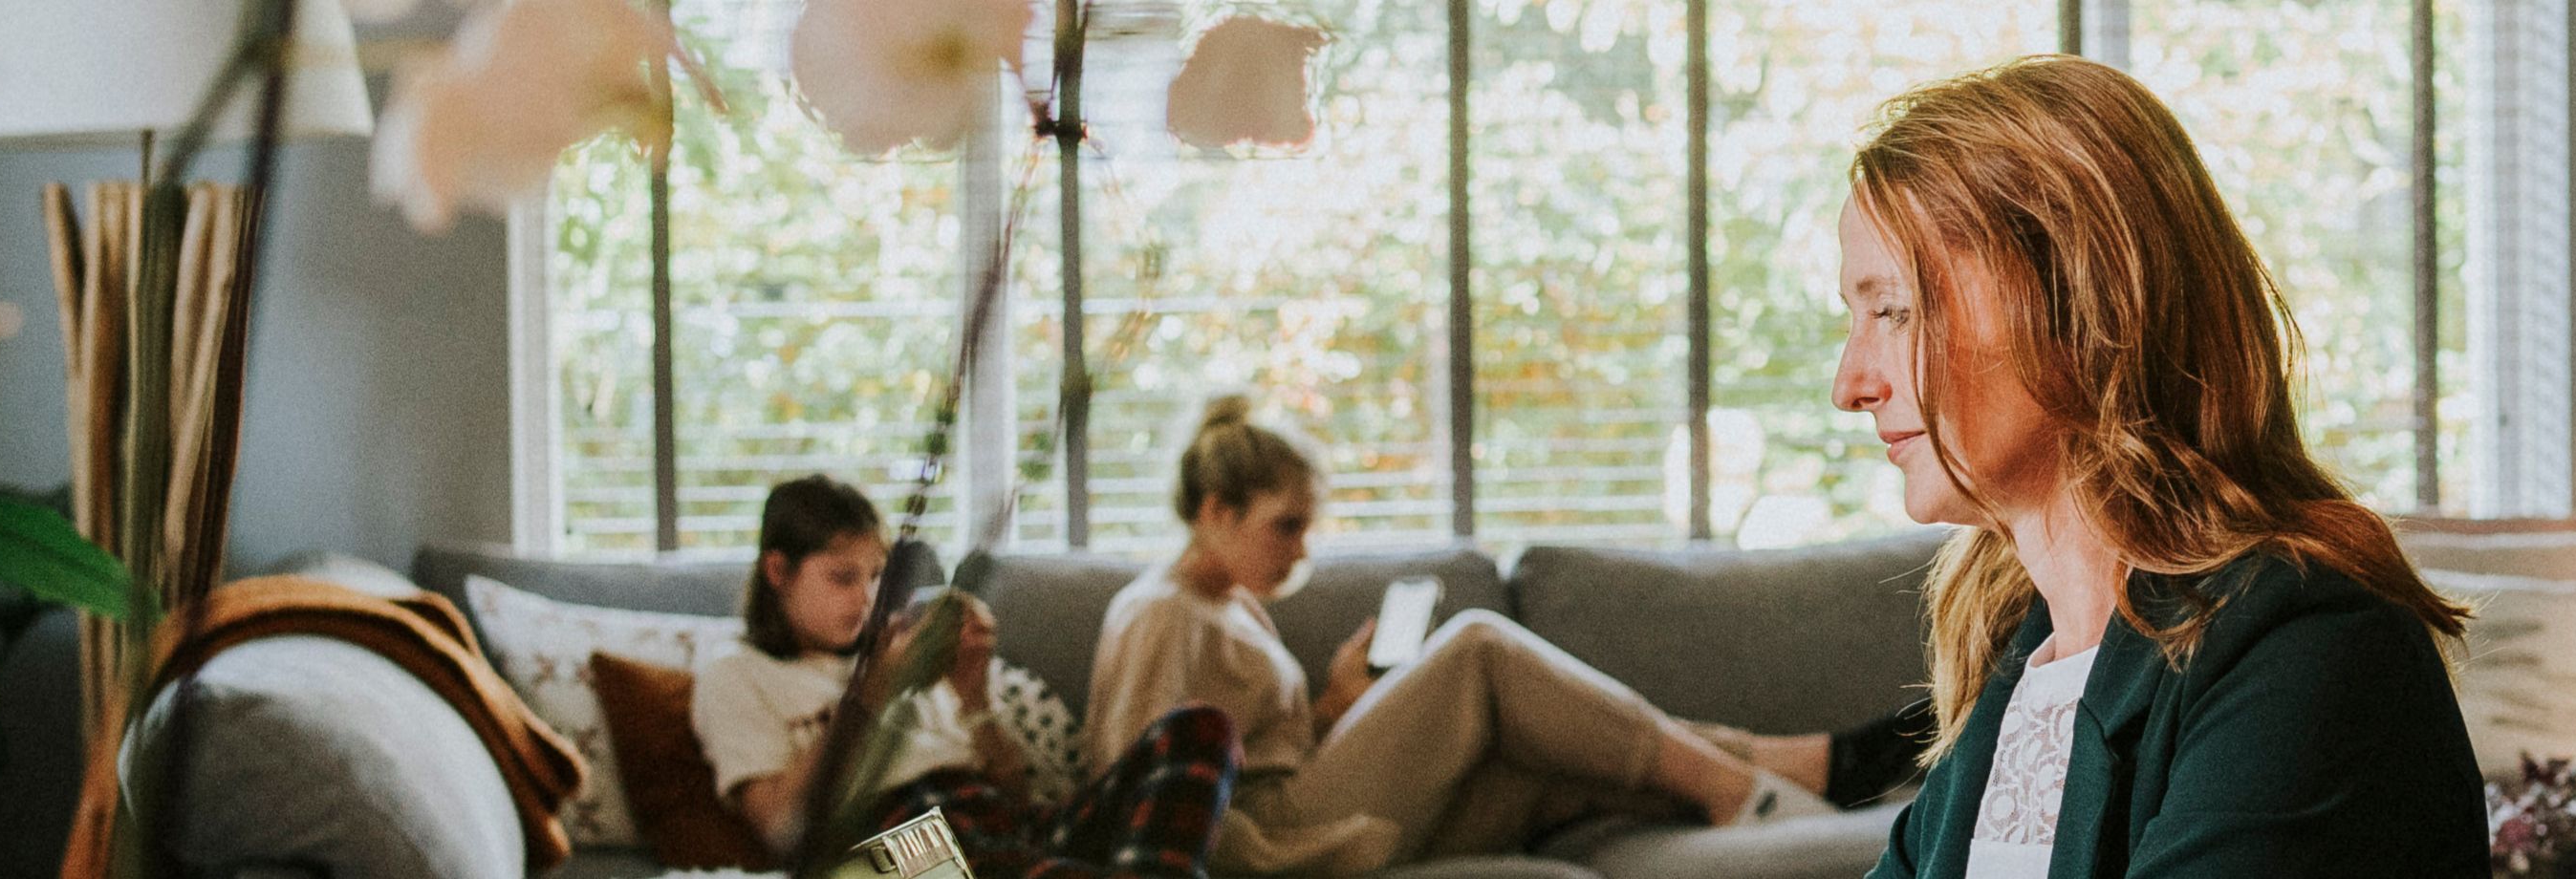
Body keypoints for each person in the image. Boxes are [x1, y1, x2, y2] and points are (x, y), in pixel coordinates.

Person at [1831, 55, 2484, 878]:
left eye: (1893, 310)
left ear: (2082, 299)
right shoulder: (2020, 668)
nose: (1851, 385)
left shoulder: (2309, 651)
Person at [1082, 396, 1838, 877]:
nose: (1301, 550)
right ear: (1216, 510)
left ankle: (1794, 769)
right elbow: (1134, 781)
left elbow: (1245, 745)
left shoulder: (1233, 606)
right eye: (1286, 525)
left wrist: (1334, 707)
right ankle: (1749, 781)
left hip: (1301, 803)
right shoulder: (1161, 612)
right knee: (1478, 644)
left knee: (1542, 759)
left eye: (1307, 528)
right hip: (1274, 842)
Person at [693, 475, 1242, 878]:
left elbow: (1013, 795)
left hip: (996, 826)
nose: (866, 600)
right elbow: (779, 827)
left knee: (1201, 728)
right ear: (778, 571)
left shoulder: (902, 655)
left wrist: (973, 692)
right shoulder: (737, 674)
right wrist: (871, 694)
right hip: (889, 851)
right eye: (842, 578)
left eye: (875, 577)